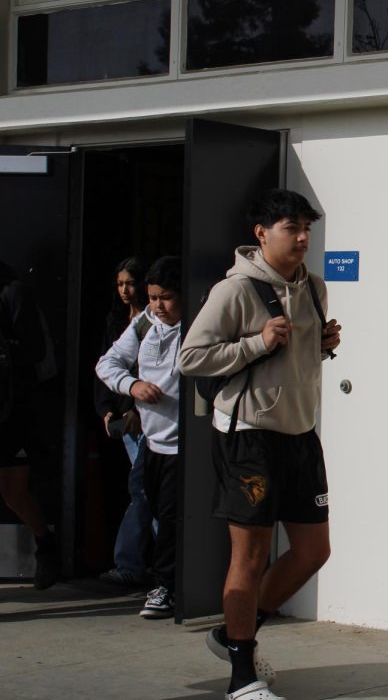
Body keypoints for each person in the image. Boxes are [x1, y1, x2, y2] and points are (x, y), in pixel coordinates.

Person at [179, 190, 342, 700]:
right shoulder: (235, 291)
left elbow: (295, 358)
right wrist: (256, 342)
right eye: (291, 228)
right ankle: (241, 676)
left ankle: (232, 636)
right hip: (248, 438)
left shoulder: (314, 287)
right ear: (261, 234)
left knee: (314, 550)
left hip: (300, 434)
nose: (301, 238)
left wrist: (321, 346)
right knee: (248, 558)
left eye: (306, 230)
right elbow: (190, 358)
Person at [95, 256, 182, 619]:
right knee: (155, 510)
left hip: (187, 442)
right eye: (152, 297)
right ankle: (164, 582)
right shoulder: (145, 323)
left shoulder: (200, 325)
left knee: (173, 516)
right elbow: (107, 364)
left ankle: (169, 586)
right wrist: (133, 385)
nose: (157, 306)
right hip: (151, 439)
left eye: (165, 298)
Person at [0, 260, 59, 589]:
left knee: (12, 493)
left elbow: (34, 350)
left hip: (10, 409)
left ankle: (45, 545)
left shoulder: (13, 291)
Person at [94, 257, 153, 586]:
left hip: (148, 415)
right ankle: (155, 564)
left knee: (144, 489)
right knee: (144, 489)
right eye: (119, 284)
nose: (125, 291)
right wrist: (107, 409)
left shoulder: (155, 319)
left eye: (130, 283)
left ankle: (139, 564)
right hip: (125, 416)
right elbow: (105, 365)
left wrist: (136, 409)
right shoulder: (117, 320)